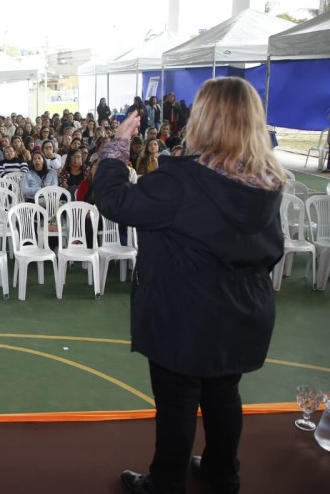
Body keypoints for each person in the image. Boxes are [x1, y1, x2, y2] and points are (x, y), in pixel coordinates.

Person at [95, 78, 284, 494]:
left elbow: (114, 201)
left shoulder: (182, 183)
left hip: (186, 317)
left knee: (178, 402)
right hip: (243, 314)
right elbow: (274, 249)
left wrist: (115, 148)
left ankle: (165, 483)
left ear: (205, 120)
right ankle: (222, 471)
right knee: (223, 393)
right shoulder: (268, 183)